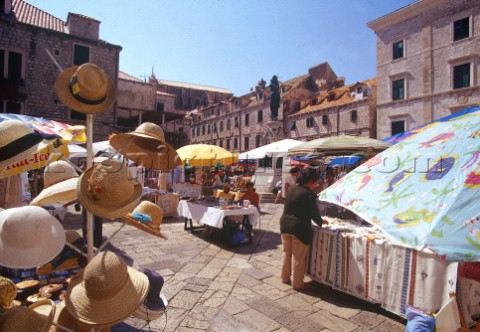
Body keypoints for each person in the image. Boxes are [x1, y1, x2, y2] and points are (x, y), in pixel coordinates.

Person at [280, 169, 325, 291]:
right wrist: (322, 223)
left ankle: (285, 278)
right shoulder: (309, 194)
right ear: (310, 181)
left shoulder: (291, 189)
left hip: (285, 225)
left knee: (286, 253)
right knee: (299, 258)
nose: (316, 184)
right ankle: (298, 284)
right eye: (315, 182)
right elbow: (314, 214)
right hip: (298, 228)